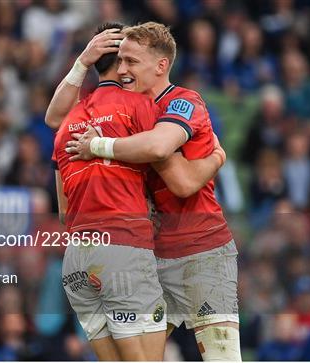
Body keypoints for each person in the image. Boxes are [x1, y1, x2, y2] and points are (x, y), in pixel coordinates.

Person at [49, 22, 240, 361]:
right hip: (151, 259)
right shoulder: (127, 110)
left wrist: (99, 145)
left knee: (222, 358)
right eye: (119, 60)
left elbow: (178, 178)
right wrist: (82, 62)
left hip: (201, 253)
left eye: (132, 62)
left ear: (161, 66)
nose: (122, 69)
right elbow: (56, 119)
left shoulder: (183, 102)